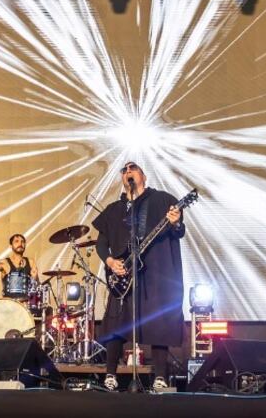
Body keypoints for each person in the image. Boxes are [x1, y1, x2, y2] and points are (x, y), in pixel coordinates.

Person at [93, 161, 184, 392]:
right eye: (124, 170)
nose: (128, 172)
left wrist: (176, 222)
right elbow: (101, 243)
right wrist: (111, 262)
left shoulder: (162, 200)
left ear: (143, 175)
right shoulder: (114, 210)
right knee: (116, 322)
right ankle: (110, 376)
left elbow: (179, 231)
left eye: (133, 168)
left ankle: (160, 377)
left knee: (159, 320)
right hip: (124, 277)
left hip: (155, 275)